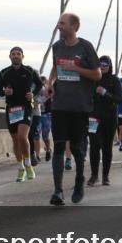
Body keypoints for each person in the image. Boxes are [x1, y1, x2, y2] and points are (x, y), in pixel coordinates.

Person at [45, 13, 102, 206]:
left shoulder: (85, 47)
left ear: (74, 26)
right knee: (59, 146)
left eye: (62, 23)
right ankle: (58, 191)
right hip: (59, 104)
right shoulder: (57, 47)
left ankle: (79, 181)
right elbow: (55, 68)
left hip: (80, 107)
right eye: (58, 22)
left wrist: (76, 68)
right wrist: (50, 82)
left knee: (77, 149)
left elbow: (97, 74)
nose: (58, 26)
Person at [0, 47, 40, 182]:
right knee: (15, 140)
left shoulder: (29, 71)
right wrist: (4, 92)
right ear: (10, 57)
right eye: (13, 54)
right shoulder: (3, 73)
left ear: (22, 56)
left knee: (22, 136)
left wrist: (33, 94)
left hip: (26, 107)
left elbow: (39, 84)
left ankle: (28, 164)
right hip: (11, 109)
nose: (16, 56)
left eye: (18, 54)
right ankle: (20, 168)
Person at [88, 55, 122, 186]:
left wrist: (105, 93)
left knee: (107, 147)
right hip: (93, 116)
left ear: (109, 66)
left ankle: (105, 176)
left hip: (109, 117)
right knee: (94, 146)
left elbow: (119, 99)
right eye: (100, 65)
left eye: (105, 65)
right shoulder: (92, 79)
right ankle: (94, 175)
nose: (103, 68)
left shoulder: (114, 80)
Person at [30, 77, 52, 165]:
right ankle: (37, 155)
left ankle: (48, 150)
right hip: (36, 114)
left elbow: (49, 95)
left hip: (46, 114)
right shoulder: (30, 86)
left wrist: (38, 101)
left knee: (45, 136)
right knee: (36, 134)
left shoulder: (43, 88)